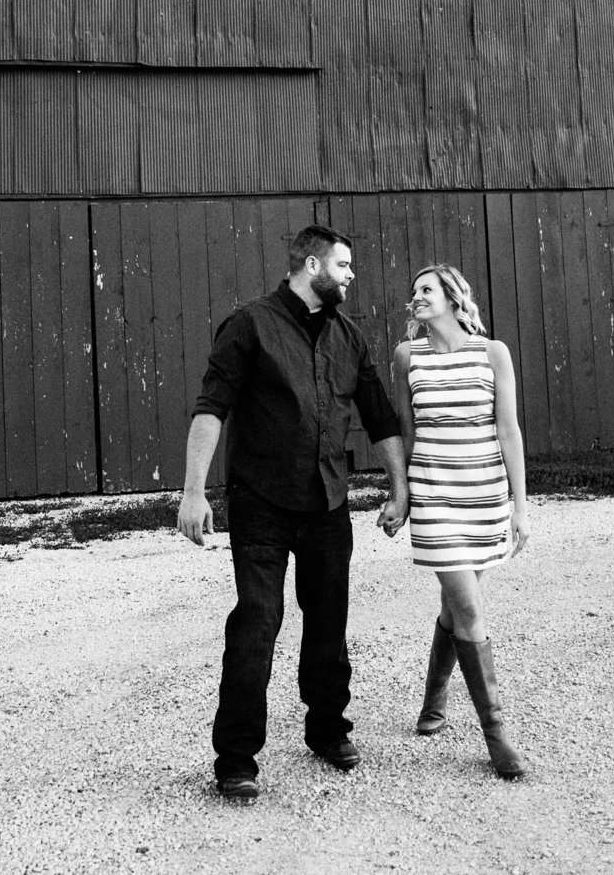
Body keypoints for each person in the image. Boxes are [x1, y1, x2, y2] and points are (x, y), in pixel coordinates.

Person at [176, 225, 410, 802]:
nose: (352, 275)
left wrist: (399, 489)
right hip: (262, 502)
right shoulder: (250, 325)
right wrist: (193, 491)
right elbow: (212, 408)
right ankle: (235, 759)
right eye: (344, 265)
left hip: (328, 500)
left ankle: (328, 730)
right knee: (258, 621)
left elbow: (379, 419)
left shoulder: (349, 338)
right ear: (312, 265)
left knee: (329, 621)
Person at [392, 263, 531, 779]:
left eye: (426, 289)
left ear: (453, 297)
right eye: (414, 292)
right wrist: (401, 495)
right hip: (434, 499)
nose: (416, 297)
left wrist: (520, 505)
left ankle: (433, 701)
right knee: (470, 609)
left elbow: (510, 431)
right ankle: (496, 736)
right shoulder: (407, 357)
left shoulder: (492, 353)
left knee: (456, 608)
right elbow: (407, 435)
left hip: (485, 498)